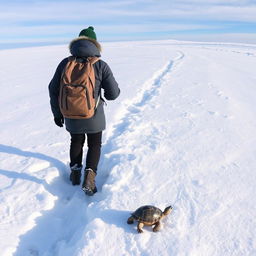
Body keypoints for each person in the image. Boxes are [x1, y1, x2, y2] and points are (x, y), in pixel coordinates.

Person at [48, 26, 120, 195]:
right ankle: (89, 177)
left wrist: (57, 114)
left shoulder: (65, 63)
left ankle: (74, 174)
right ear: (95, 44)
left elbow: (53, 89)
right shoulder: (100, 65)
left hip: (70, 114)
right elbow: (113, 94)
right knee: (94, 144)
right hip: (94, 115)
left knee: (76, 141)